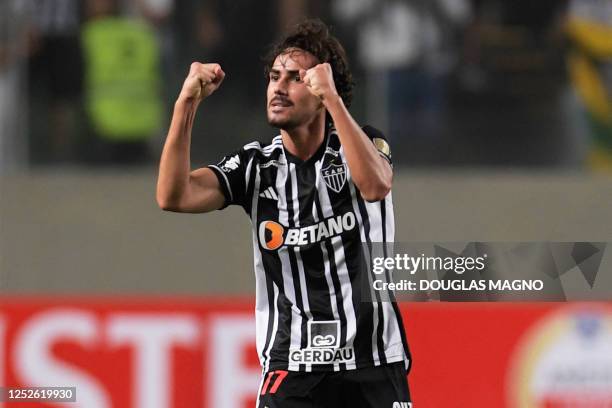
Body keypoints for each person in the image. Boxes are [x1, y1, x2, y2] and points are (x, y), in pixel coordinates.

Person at [156, 19, 411, 407]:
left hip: (372, 363)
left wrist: (333, 102)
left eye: (295, 78)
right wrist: (186, 102)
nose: (278, 86)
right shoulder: (256, 166)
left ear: (323, 89)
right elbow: (174, 195)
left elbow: (375, 185)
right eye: (275, 76)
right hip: (292, 367)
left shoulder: (361, 144)